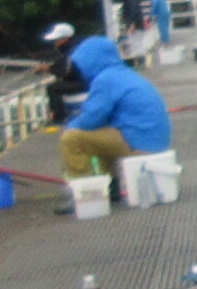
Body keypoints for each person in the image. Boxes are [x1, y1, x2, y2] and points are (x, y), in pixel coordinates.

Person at [57, 33, 171, 183]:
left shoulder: (106, 79)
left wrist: (70, 127)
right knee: (101, 136)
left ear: (92, 60)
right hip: (155, 140)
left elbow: (92, 117)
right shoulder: (123, 73)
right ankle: (112, 185)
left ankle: (84, 192)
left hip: (138, 143)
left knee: (71, 139)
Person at [40, 21, 85, 125]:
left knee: (52, 88)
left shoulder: (71, 50)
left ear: (64, 39)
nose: (55, 43)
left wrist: (48, 69)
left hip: (83, 82)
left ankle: (58, 119)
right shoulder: (77, 45)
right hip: (86, 79)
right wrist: (52, 68)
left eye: (56, 40)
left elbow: (66, 71)